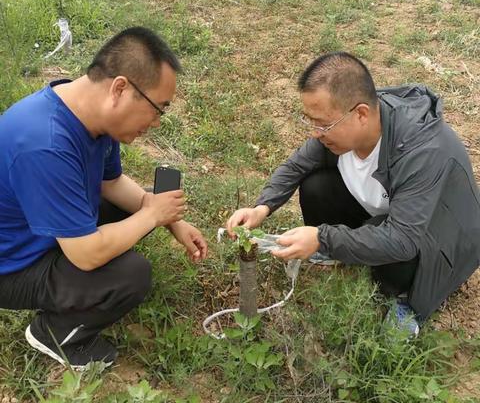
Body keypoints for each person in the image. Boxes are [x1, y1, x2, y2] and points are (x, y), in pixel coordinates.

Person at [227, 52, 480, 335]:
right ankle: (344, 252)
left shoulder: (421, 150)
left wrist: (322, 238)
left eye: (323, 124)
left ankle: (407, 303)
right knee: (316, 188)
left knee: (395, 258)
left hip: (437, 243)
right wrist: (262, 207)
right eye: (311, 121)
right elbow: (297, 165)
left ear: (360, 113)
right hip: (386, 212)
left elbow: (403, 240)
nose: (315, 133)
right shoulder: (348, 126)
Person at [0, 27, 208, 370]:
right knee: (131, 275)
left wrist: (173, 221)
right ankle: (53, 334)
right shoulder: (45, 143)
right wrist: (151, 216)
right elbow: (85, 254)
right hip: (10, 265)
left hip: (34, 230)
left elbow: (110, 184)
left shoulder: (88, 114)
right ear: (120, 89)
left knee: (125, 211)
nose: (156, 123)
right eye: (158, 109)